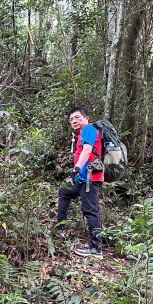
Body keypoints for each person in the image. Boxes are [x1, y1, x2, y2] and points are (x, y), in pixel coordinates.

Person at [55, 106, 104, 257]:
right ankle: (59, 228)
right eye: (71, 119)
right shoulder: (81, 134)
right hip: (81, 178)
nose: (74, 121)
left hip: (90, 178)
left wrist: (76, 169)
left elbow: (87, 150)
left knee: (90, 209)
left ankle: (96, 248)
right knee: (64, 191)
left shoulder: (89, 129)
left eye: (77, 117)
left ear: (86, 118)